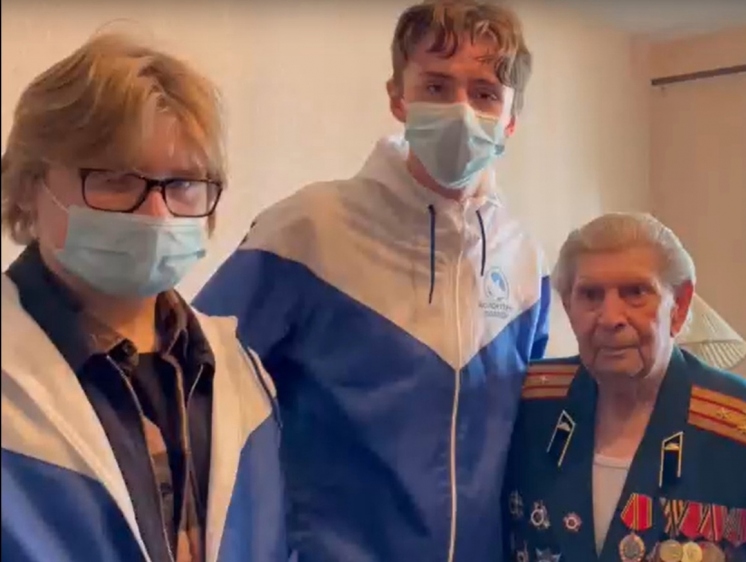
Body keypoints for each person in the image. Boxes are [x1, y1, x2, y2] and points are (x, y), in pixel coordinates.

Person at [192, 1, 549, 560]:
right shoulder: (308, 230)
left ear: (510, 119)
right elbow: (194, 389)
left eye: (484, 93)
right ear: (398, 97)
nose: (459, 109)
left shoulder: (525, 261)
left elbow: (526, 439)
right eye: (436, 86)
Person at [0, 33, 288, 562]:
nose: (156, 214)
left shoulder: (239, 376)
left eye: (183, 184)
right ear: (26, 186)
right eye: (114, 178)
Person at [503, 212, 746, 562]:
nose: (611, 318)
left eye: (636, 293)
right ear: (568, 307)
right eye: (590, 295)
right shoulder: (526, 405)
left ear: (678, 306)